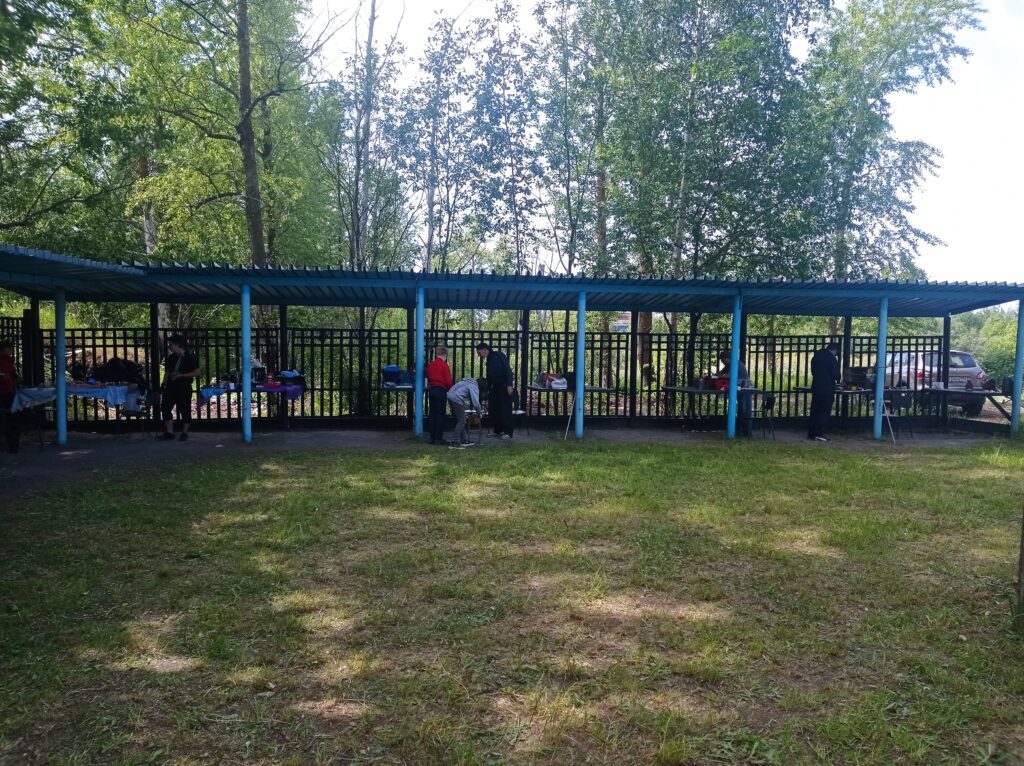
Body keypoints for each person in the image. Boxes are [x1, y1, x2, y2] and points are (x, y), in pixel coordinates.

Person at [158, 334, 200, 441]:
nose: (169, 346)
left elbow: (197, 372)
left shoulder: (190, 357)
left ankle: (184, 433)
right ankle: (170, 432)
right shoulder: (171, 357)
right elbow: (167, 372)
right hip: (171, 387)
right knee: (165, 408)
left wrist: (182, 375)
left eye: (171, 344)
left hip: (184, 387)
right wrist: (163, 385)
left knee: (185, 410)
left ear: (177, 344)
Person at [475, 342, 514, 439]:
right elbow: (490, 375)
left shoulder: (498, 355)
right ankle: (498, 431)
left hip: (503, 386)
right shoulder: (489, 359)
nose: (479, 355)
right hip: (494, 387)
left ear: (485, 350)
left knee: (504, 409)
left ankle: (508, 432)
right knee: (494, 409)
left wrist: (509, 384)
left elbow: (508, 370)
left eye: (479, 353)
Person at [808, 342, 842, 442]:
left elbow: (813, 372)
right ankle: (819, 433)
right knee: (824, 412)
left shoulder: (816, 357)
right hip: (827, 390)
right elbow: (836, 375)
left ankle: (811, 433)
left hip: (816, 388)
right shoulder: (831, 358)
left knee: (814, 411)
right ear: (835, 350)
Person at [717, 350, 753, 436]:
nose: (722, 362)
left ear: (727, 358)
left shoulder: (735, 364)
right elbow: (721, 372)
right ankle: (740, 430)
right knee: (741, 409)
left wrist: (718, 376)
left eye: (723, 360)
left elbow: (729, 376)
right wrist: (715, 375)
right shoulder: (728, 365)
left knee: (745, 410)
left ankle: (746, 432)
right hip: (739, 388)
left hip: (745, 389)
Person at [425, 346, 453, 445]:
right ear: (445, 355)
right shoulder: (444, 365)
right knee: (440, 414)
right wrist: (449, 389)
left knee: (432, 414)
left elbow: (428, 377)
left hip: (432, 390)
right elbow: (448, 381)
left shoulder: (431, 365)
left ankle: (432, 437)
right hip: (440, 390)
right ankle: (438, 438)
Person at [446, 376, 483, 449]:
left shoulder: (466, 382)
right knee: (462, 420)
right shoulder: (474, 386)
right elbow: (476, 403)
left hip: (450, 396)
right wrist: (479, 413)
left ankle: (464, 440)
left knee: (460, 420)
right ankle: (454, 442)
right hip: (457, 399)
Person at [0, 339, 21, 453]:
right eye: (11, 348)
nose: (12, 350)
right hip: (7, 391)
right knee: (12, 418)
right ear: (6, 349)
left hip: (6, 391)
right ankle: (13, 445)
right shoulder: (8, 360)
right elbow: (13, 375)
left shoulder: (8, 360)